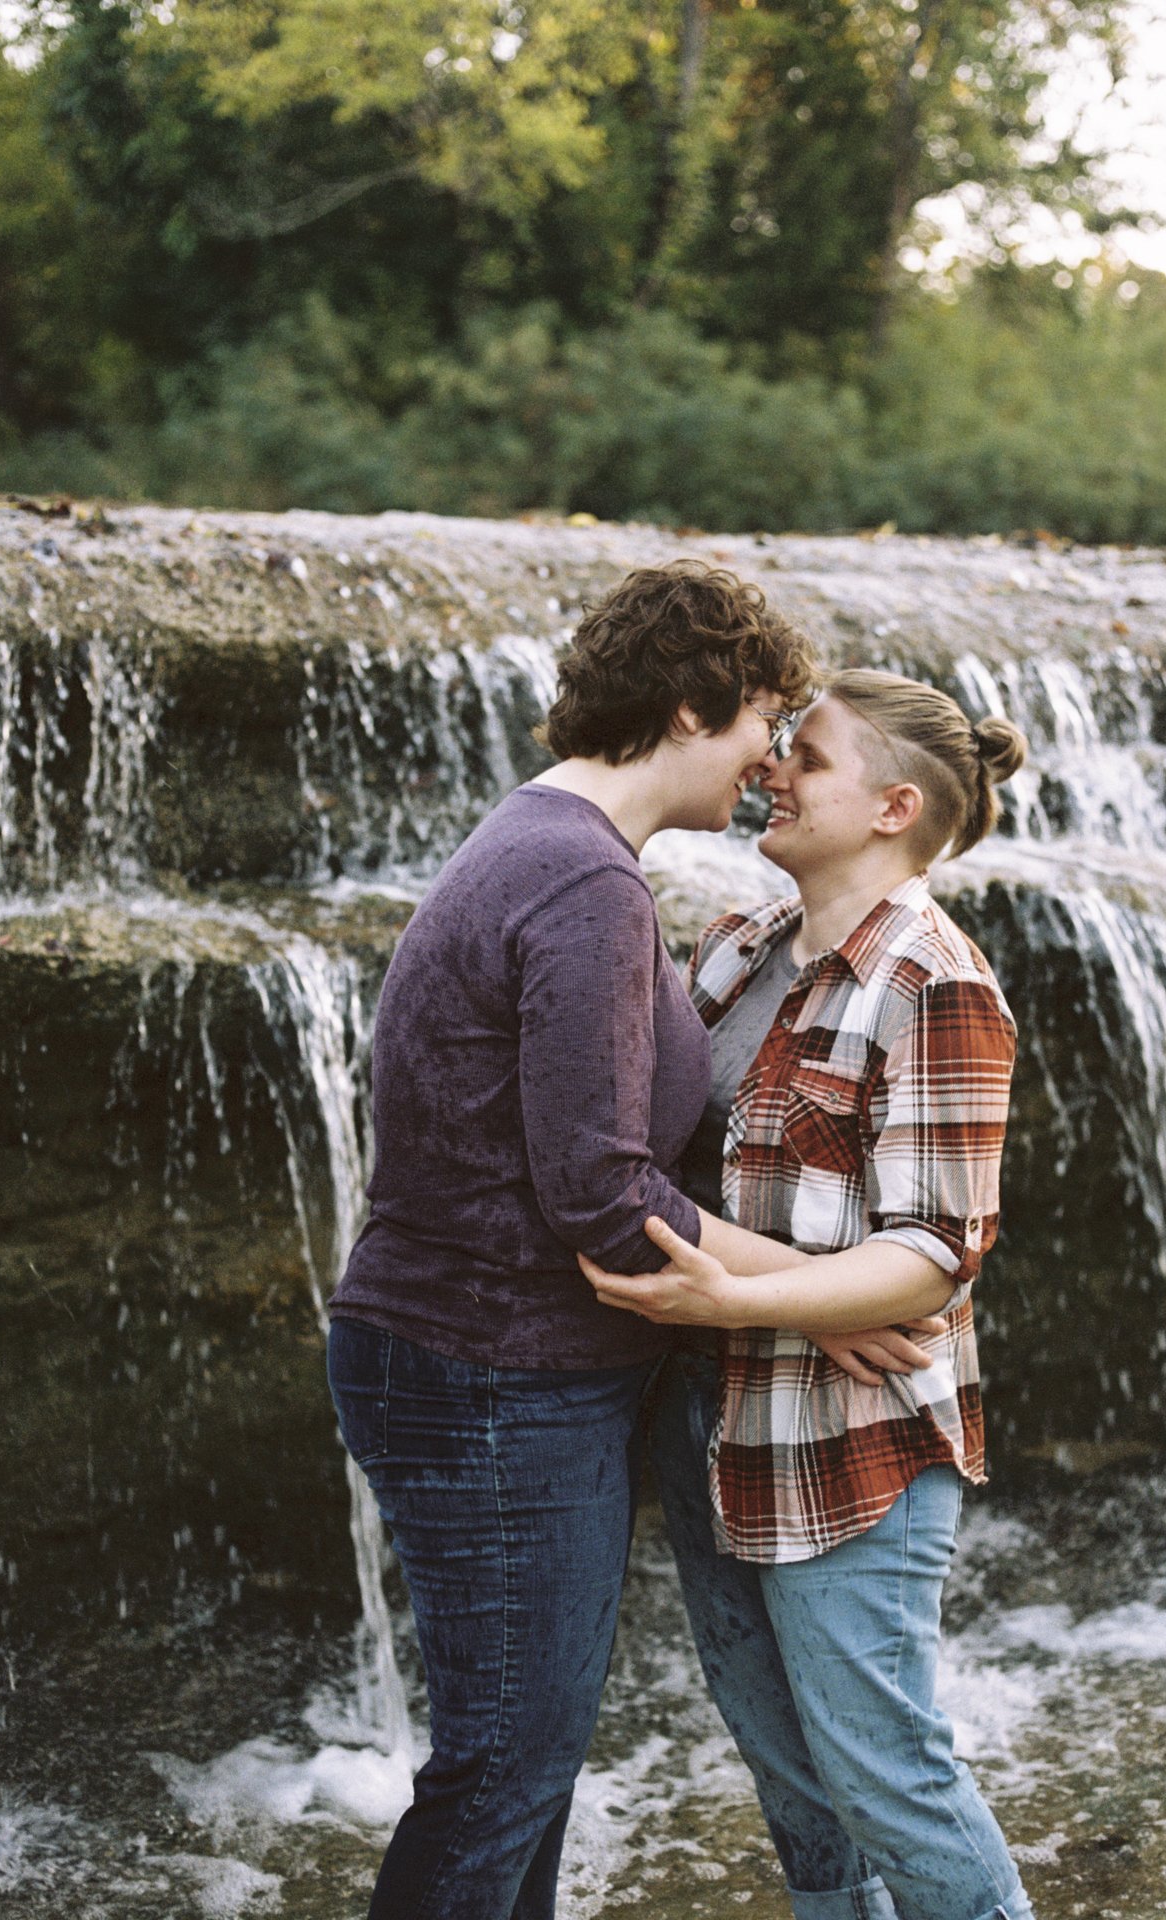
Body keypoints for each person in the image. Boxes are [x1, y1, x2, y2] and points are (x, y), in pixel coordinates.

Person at [325, 560, 822, 1920]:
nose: (770, 758)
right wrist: (836, 1294)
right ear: (689, 706)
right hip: (491, 1375)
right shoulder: (582, 880)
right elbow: (603, 1195)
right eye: (761, 720)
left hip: (479, 1365)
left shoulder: (551, 845)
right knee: (502, 1778)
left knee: (520, 1776)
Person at [582, 668, 1036, 1920]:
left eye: (808, 756)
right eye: (779, 747)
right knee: (792, 1782)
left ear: (894, 807)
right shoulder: (737, 948)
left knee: (887, 1776)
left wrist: (741, 1302)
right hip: (708, 1421)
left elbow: (935, 1253)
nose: (771, 769)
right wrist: (778, 1301)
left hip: (853, 1441)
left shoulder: (936, 983)